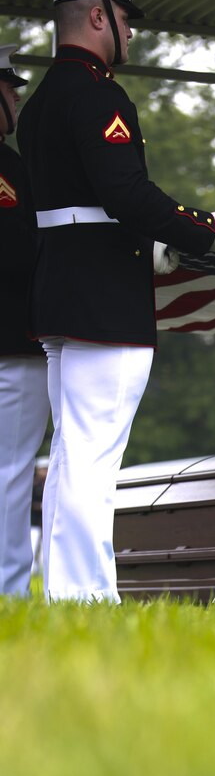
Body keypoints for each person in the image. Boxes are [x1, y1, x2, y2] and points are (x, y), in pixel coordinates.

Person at [15, 0, 215, 603]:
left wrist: (141, 247)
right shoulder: (99, 96)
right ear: (98, 16)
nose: (130, 32)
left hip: (62, 286)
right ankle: (86, 597)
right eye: (124, 19)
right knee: (94, 457)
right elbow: (124, 192)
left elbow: (64, 208)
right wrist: (202, 230)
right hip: (101, 299)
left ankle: (66, 593)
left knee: (72, 454)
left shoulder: (37, 104)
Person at [0, 46, 51, 596]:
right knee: (10, 475)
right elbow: (20, 249)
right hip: (12, 342)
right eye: (8, 88)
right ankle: (7, 592)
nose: (15, 96)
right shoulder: (8, 169)